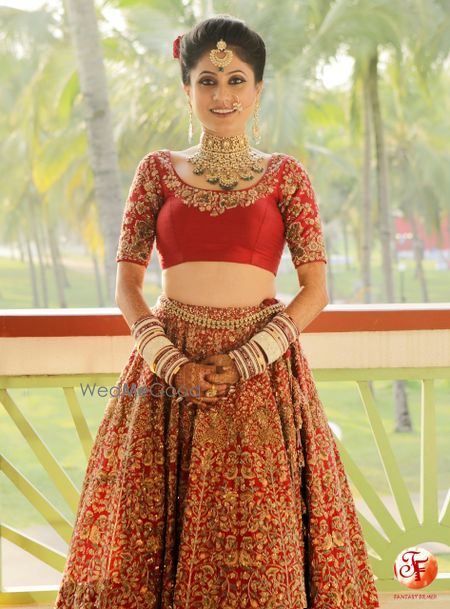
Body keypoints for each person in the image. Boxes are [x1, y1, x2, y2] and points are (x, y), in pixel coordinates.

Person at [54, 14, 380, 609]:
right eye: (207, 80)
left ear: (258, 91)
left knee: (262, 538)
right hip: (165, 375)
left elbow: (315, 290)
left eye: (235, 80)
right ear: (187, 90)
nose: (221, 94)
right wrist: (170, 361)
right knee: (148, 540)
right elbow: (127, 286)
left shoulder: (288, 177)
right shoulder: (156, 171)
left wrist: (250, 356)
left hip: (260, 377)